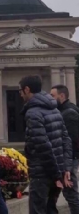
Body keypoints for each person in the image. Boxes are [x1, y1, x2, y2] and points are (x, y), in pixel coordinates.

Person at [19, 76, 72, 214]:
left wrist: (55, 175)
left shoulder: (33, 113)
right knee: (51, 209)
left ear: (27, 89)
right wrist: (65, 168)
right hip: (57, 170)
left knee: (38, 210)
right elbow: (66, 140)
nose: (19, 94)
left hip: (42, 173)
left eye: (20, 91)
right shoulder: (55, 109)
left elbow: (42, 146)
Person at [50, 84, 79, 213]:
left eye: (53, 96)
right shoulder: (63, 111)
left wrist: (68, 165)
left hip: (70, 160)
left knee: (71, 194)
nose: (50, 98)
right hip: (66, 159)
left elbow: (71, 141)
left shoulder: (69, 113)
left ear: (62, 96)